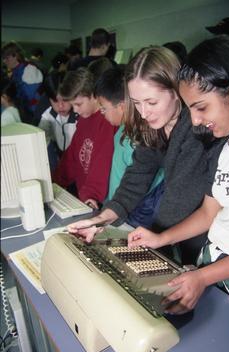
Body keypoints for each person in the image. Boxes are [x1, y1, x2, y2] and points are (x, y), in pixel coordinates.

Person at [127, 36, 229, 316]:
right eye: (191, 110)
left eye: (201, 107)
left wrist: (204, 277)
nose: (196, 120)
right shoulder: (221, 148)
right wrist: (161, 238)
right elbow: (208, 212)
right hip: (213, 271)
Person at [67, 46, 209, 264]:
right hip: (177, 234)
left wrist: (138, 241)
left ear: (176, 91)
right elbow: (136, 177)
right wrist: (103, 218)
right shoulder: (153, 126)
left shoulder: (195, 129)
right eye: (136, 103)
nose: (143, 113)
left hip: (204, 236)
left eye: (151, 102)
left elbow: (179, 201)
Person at [94, 65, 164, 227]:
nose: (101, 113)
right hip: (117, 210)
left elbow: (144, 186)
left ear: (122, 106)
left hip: (133, 217)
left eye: (104, 108)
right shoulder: (123, 130)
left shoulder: (141, 140)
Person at [52, 67, 117, 208]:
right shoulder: (84, 118)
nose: (75, 110)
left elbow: (103, 160)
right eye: (73, 105)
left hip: (99, 198)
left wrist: (91, 195)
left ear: (94, 96)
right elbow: (73, 155)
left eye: (78, 104)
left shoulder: (107, 120)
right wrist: (55, 180)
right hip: (85, 194)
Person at [38, 70, 77, 171]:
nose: (60, 106)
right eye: (55, 101)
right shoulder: (48, 115)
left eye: (65, 100)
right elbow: (40, 137)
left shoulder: (80, 115)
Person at [2, 41, 44, 123]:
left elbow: (28, 97)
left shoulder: (29, 69)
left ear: (15, 56)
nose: (4, 61)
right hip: (22, 112)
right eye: (3, 58)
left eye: (6, 58)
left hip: (31, 114)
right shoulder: (16, 71)